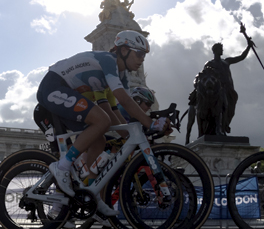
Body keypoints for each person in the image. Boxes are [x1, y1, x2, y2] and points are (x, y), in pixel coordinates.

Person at [36, 30, 170, 216]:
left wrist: (133, 136)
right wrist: (150, 123)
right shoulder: (109, 61)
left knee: (98, 139)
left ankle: (92, 194)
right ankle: (62, 167)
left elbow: (113, 111)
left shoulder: (121, 76)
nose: (142, 60)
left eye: (144, 55)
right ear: (123, 50)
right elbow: (124, 101)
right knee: (101, 122)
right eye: (139, 53)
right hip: (53, 86)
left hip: (69, 93)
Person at [202, 41, 251, 134]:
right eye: (220, 49)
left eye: (222, 49)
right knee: (223, 107)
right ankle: (219, 129)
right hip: (218, 90)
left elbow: (241, 57)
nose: (222, 50)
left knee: (230, 111)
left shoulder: (226, 61)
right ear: (215, 51)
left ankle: (224, 126)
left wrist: (248, 46)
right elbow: (205, 77)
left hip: (229, 90)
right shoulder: (210, 64)